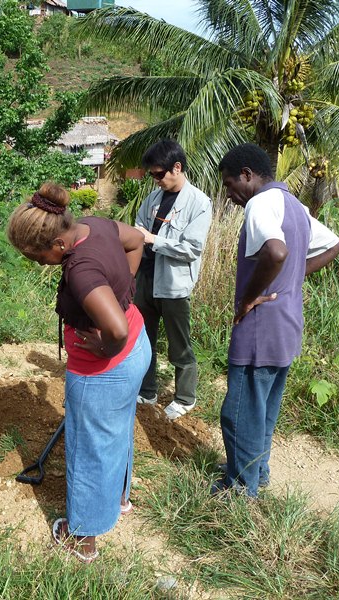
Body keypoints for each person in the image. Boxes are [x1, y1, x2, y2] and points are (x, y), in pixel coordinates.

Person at [7, 182, 150, 563]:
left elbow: (115, 330)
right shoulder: (94, 225)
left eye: (37, 257)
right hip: (137, 347)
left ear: (58, 246)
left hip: (104, 368)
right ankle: (117, 499)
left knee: (89, 448)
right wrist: (124, 293)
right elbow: (136, 241)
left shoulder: (82, 271)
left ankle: (82, 536)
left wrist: (105, 345)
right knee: (116, 431)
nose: (38, 264)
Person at [213, 144, 339, 498]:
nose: (229, 195)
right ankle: (259, 471)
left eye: (229, 185)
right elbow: (334, 244)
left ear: (246, 175)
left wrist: (249, 297)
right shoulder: (294, 206)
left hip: (260, 323)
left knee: (239, 410)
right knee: (264, 406)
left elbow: (277, 252)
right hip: (287, 321)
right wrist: (293, 278)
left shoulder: (260, 203)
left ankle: (241, 488)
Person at [134, 139, 212, 420]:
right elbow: (138, 227)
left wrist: (154, 239)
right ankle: (148, 390)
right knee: (144, 339)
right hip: (146, 279)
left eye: (158, 174)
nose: (155, 180)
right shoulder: (153, 198)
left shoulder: (199, 203)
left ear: (176, 168)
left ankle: (185, 397)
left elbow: (192, 248)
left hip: (174, 284)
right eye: (152, 175)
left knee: (179, 344)